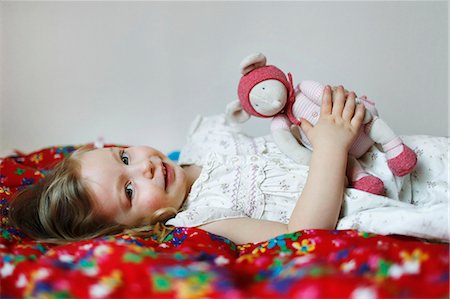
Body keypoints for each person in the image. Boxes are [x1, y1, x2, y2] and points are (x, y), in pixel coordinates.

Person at [8, 86, 448, 244]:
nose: (142, 168)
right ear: (136, 227)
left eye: (125, 156)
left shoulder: (203, 140)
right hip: (390, 196)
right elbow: (301, 235)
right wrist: (331, 147)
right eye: (128, 191)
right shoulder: (205, 219)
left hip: (399, 155)